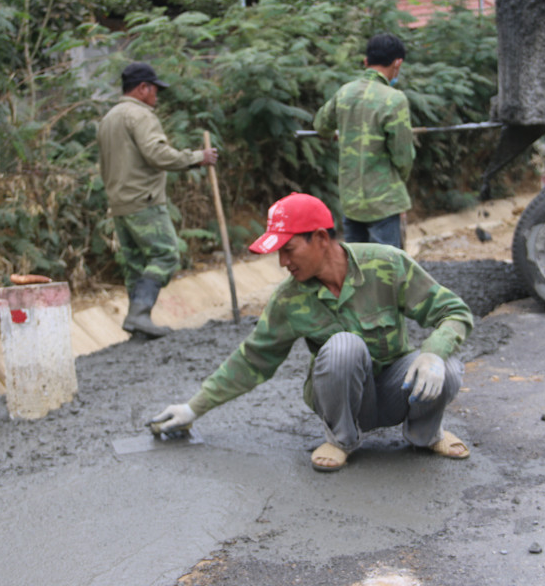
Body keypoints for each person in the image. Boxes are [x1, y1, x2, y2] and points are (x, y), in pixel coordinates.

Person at [151, 193, 474, 472]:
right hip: (343, 401)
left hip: (396, 392)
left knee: (445, 364)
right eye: (278, 253)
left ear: (320, 238)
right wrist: (192, 408)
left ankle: (426, 434)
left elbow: (454, 312)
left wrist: (433, 353)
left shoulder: (387, 264)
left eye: (289, 249)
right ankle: (341, 440)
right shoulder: (289, 299)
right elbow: (252, 360)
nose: (282, 262)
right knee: (344, 346)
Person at [97, 61, 218, 338]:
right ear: (143, 88)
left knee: (136, 265)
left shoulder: (109, 118)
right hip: (144, 200)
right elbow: (158, 154)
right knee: (165, 253)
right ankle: (139, 314)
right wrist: (197, 157)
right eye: (154, 90)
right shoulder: (140, 115)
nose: (156, 96)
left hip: (120, 203)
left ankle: (139, 325)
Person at [312, 33, 415, 249]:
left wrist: (338, 133)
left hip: (351, 201)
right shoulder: (394, 99)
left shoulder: (344, 93)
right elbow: (403, 156)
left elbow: (321, 125)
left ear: (366, 61)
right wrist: (399, 181)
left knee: (357, 263)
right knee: (385, 264)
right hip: (384, 202)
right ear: (397, 63)